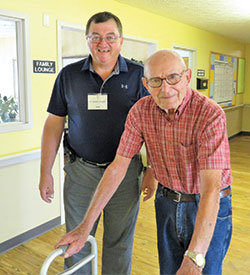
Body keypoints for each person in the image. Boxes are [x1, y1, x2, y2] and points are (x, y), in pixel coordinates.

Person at [55, 49, 232, 275]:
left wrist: (195, 256)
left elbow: (211, 189)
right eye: (156, 81)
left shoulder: (210, 114)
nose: (165, 89)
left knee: (200, 270)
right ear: (145, 84)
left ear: (187, 77)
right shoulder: (140, 112)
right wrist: (85, 227)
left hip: (208, 204)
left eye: (173, 78)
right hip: (167, 203)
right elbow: (118, 167)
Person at [39, 11, 152, 275]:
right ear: (87, 40)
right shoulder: (69, 76)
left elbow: (154, 128)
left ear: (121, 41)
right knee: (76, 241)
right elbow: (54, 124)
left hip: (125, 176)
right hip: (81, 174)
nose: (104, 43)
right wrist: (45, 171)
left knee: (119, 242)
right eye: (96, 37)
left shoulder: (139, 76)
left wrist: (152, 171)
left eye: (110, 37)